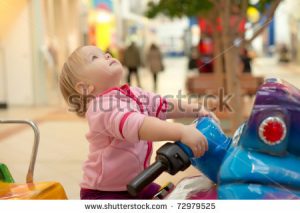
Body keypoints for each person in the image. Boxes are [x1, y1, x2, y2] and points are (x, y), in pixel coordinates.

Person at [59, 46, 219, 200]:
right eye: (95, 58)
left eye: (104, 53)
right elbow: (137, 125)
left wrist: (196, 110)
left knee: (178, 195)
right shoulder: (101, 108)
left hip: (138, 183)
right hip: (105, 193)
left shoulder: (133, 93)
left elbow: (162, 105)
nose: (106, 55)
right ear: (85, 88)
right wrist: (181, 131)